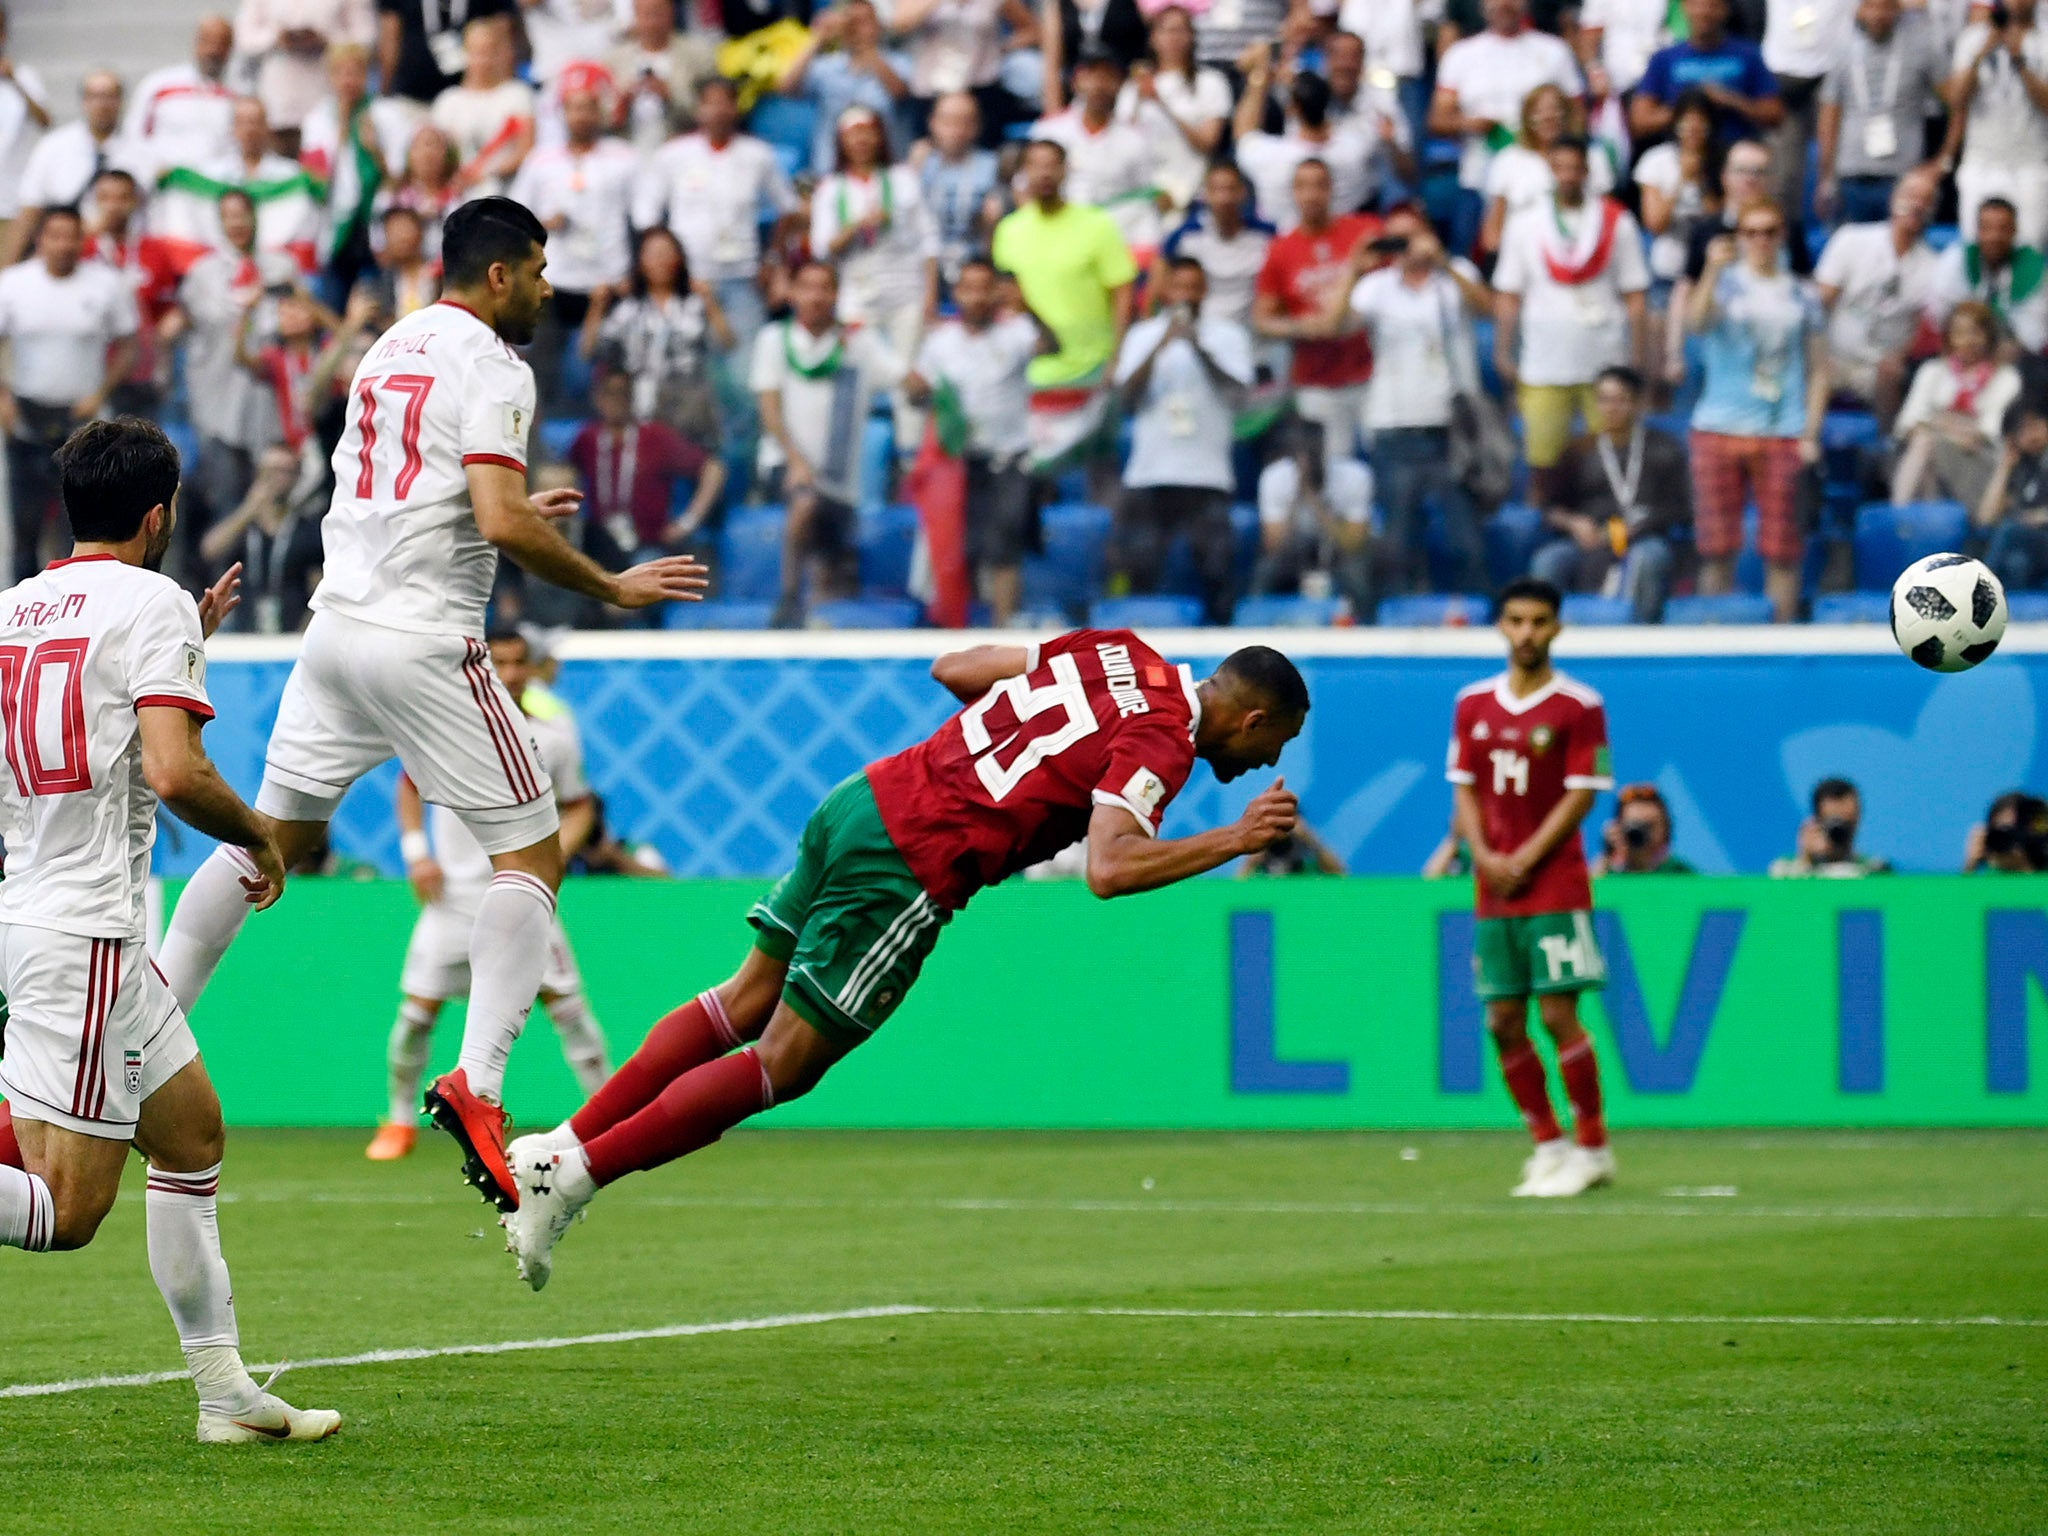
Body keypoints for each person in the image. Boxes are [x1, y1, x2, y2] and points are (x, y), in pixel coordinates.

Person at [154, 198, 709, 1214]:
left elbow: (417, 493)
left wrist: (490, 518)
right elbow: (494, 512)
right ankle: (480, 1082)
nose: (547, 289)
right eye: (538, 270)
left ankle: (134, 1031)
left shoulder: (387, 346)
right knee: (532, 856)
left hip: (336, 633)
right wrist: (613, 585)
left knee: (261, 846)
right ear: (498, 276)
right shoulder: (498, 364)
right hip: (421, 641)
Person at [497, 633, 1310, 1287]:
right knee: (785, 1062)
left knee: (745, 998)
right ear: (1254, 719)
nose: (1270, 762)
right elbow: (1110, 868)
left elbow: (953, 667)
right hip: (916, 857)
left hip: (866, 797)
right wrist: (1237, 837)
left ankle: (559, 1141)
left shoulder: (1117, 652)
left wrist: (1016, 751)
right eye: (1279, 741)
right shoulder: (1161, 739)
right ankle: (572, 1179)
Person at [0, 416, 339, 1442]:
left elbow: (83, 709)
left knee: (190, 1135)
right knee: (67, 1210)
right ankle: (223, 1390)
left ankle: (223, 1395)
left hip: (34, 903)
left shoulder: (18, 607)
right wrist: (260, 838)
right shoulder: (148, 604)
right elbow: (175, 772)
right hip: (90, 925)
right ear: (158, 514)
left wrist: (182, 635)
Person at [367, 628, 611, 1160]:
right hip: (454, 896)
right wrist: (416, 853)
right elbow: (407, 788)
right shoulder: (447, 730)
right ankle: (399, 1120)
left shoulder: (555, 737)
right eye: (499, 661)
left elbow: (580, 806)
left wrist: (556, 856)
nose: (511, 672)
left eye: (519, 662)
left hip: (525, 897)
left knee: (569, 1010)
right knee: (416, 1014)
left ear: (530, 668)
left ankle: (606, 1117)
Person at [1447, 576, 1614, 1199]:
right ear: (1500, 626)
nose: (1526, 633)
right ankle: (1548, 1142)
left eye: (1538, 621)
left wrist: (1524, 857)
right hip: (1493, 884)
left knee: (1558, 1012)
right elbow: (1462, 785)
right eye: (1515, 620)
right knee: (1502, 1018)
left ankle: (1593, 1146)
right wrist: (1485, 856)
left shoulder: (1579, 706)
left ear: (1557, 628)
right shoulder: (1473, 704)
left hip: (1555, 883)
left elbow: (1582, 795)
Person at [1687, 198, 1828, 622]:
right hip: (1718, 425)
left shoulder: (1803, 293)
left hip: (1781, 428)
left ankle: (1780, 633)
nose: (1761, 240)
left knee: (1783, 548)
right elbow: (1696, 324)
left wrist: (1810, 433)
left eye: (1769, 231)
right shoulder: (1724, 284)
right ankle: (1712, 631)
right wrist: (1711, 269)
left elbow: (1821, 369)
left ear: (1782, 235)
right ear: (1740, 237)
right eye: (1751, 232)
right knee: (1717, 546)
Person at [1338, 206, 1491, 595]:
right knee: (1399, 536)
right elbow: (1336, 326)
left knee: (1464, 536)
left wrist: (1442, 261)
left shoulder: (1454, 275)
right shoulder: (1376, 286)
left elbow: (1488, 308)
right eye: (1396, 238)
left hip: (1451, 428)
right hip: (1393, 424)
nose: (1405, 247)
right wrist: (1354, 270)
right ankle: (1400, 616)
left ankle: (1475, 611)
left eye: (1411, 235)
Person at [1492, 136, 1650, 505]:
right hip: (1544, 359)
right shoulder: (1525, 222)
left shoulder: (1617, 220)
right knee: (1542, 461)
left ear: (1587, 171)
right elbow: (1509, 293)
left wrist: (1639, 357)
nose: (1567, 176)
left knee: (1613, 459)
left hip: (1605, 359)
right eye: (1559, 167)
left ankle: (1611, 536)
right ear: (1549, 171)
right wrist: (1502, 349)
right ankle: (1541, 543)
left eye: (1574, 168)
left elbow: (1636, 294)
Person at [752, 259, 908, 625]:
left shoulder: (858, 341)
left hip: (839, 483)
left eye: (825, 287)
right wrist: (795, 460)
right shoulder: (774, 339)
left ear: (837, 294)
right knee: (804, 502)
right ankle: (788, 599)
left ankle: (820, 608)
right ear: (792, 292)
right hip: (786, 467)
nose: (816, 296)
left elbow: (906, 380)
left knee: (836, 574)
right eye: (807, 286)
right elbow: (769, 408)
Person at [0, 206, 140, 582]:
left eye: (71, 236)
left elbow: (129, 345)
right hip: (28, 417)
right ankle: (17, 609)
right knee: (25, 523)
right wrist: (3, 398)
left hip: (84, 420)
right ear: (40, 240)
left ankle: (77, 606)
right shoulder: (13, 285)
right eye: (55, 236)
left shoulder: (105, 284)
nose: (63, 245)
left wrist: (102, 390)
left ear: (82, 240)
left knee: (82, 524)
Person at [1113, 256, 1253, 624]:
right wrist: (1161, 345)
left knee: (1216, 571)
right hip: (1151, 473)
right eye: (1179, 286)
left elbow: (1240, 397)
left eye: (1194, 286)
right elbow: (1126, 398)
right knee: (1141, 568)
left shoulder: (1228, 336)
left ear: (1205, 290)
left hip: (1207, 474)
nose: (1186, 294)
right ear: (1165, 290)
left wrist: (1199, 349)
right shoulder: (1141, 336)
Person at [905, 255, 1045, 624]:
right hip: (957, 462)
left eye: (986, 288)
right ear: (958, 292)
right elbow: (917, 393)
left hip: (1009, 457)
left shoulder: (1017, 331)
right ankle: (959, 630)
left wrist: (1026, 304)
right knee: (958, 548)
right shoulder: (940, 342)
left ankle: (1003, 626)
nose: (978, 296)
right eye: (970, 289)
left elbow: (1052, 346)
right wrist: (916, 391)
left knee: (1005, 544)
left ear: (996, 292)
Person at [162, 188, 302, 555]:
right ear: (220, 223)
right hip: (218, 405)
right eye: (229, 216)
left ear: (255, 217)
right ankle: (227, 603)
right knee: (228, 507)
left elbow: (292, 325)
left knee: (274, 507)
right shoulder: (202, 275)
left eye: (243, 214)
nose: (238, 223)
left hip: (269, 407)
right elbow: (206, 322)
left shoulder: (281, 268)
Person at [990, 137, 1137, 479]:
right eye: (1034, 165)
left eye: (1051, 165)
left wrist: (1117, 355)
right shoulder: (1009, 231)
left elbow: (1123, 292)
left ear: (1065, 170)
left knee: (1100, 476)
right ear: (1023, 172)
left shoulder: (1097, 225)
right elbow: (1007, 299)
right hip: (1035, 378)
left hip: (1093, 373)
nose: (1043, 173)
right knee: (1034, 483)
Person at [632, 75, 797, 378]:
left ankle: (745, 427)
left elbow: (787, 209)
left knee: (745, 370)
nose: (718, 111)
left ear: (736, 109)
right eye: (711, 103)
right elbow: (646, 216)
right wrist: (663, 268)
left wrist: (773, 259)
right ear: (699, 110)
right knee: (685, 369)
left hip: (742, 277)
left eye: (726, 103)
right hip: (687, 281)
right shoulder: (673, 155)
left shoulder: (758, 155)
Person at [811, 103, 939, 447]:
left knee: (911, 373)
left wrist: (930, 294)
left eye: (868, 132)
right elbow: (823, 249)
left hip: (906, 290)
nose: (862, 141)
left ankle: (911, 455)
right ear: (841, 142)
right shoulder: (831, 189)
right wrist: (857, 226)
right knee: (856, 371)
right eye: (853, 135)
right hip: (856, 292)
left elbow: (928, 239)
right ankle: (852, 454)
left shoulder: (901, 179)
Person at [510, 83, 638, 413]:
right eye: (573, 108)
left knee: (590, 376)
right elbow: (515, 219)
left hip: (606, 283)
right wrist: (543, 223)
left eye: (588, 108)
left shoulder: (624, 158)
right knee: (541, 371)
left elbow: (644, 219)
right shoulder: (541, 160)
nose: (581, 116)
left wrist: (632, 274)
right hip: (553, 282)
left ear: (601, 113)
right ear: (562, 115)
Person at [1533, 365, 1691, 622]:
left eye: (1621, 400)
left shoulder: (1664, 449)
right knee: (1548, 561)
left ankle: (1643, 638)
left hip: (1643, 538)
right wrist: (1574, 524)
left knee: (1649, 559)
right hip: (1589, 540)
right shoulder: (1578, 451)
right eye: (1605, 400)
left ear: (1638, 403)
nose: (1612, 408)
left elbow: (1681, 508)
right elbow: (1550, 508)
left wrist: (1637, 527)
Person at [1428, 0, 1583, 258]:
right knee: (1473, 257)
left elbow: (1577, 113)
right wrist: (1471, 123)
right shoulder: (1461, 54)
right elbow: (1437, 119)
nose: (1504, 4)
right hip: (1477, 176)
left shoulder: (1553, 50)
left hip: (1541, 178)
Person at [1253, 157, 1379, 465]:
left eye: (1319, 186)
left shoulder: (1364, 232)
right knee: (1331, 470)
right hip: (1315, 381)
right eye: (1303, 186)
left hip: (1370, 372)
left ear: (1331, 190)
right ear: (1293, 193)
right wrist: (1302, 327)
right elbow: (1261, 320)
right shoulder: (1281, 249)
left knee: (1383, 466)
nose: (1311, 195)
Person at [582, 226, 734, 452]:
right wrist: (596, 306)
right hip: (641, 411)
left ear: (679, 259)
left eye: (666, 253)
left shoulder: (695, 305)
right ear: (640, 261)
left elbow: (727, 345)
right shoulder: (629, 309)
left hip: (689, 408)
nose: (660, 260)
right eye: (652, 253)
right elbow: (588, 351)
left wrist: (710, 302)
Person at [1814, 167, 1938, 431]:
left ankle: (1888, 449)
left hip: (1878, 367)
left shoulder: (1932, 267)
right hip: (1834, 357)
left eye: (1925, 199)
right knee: (1813, 367)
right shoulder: (1851, 239)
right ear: (1893, 199)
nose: (1916, 204)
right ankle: (1803, 448)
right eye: (1910, 194)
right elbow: (1819, 303)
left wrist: (1900, 357)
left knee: (1894, 375)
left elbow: (1920, 331)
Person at [568, 370, 722, 578]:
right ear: (597, 397)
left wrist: (688, 522)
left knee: (638, 578)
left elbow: (713, 469)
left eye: (622, 393)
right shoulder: (587, 439)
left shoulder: (654, 437)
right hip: (600, 546)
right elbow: (563, 474)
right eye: (608, 392)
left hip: (647, 548)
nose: (614, 400)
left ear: (632, 397)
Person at [1816, 0, 1944, 227]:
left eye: (1885, 6)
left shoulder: (1920, 47)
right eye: (1870, 6)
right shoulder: (1842, 48)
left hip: (1903, 175)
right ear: (1859, 10)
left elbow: (1957, 102)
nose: (1877, 14)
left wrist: (1943, 160)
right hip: (1851, 173)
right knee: (1854, 246)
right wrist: (1826, 176)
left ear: (1898, 9)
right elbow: (1829, 114)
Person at [1890, 299, 2020, 513]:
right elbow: (1908, 421)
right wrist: (1952, 428)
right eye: (1959, 333)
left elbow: (1992, 431)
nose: (1967, 340)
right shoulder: (1932, 371)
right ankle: (1913, 521)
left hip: (1980, 461)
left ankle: (1901, 520)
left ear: (1988, 337)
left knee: (1926, 442)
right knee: (1923, 444)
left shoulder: (2006, 378)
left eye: (1974, 333)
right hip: (1930, 449)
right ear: (1949, 337)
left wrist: (1942, 423)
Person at [1235, 56, 1396, 228]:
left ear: (1292, 109)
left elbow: (1244, 129)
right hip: (1339, 244)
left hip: (1288, 241)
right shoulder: (1355, 150)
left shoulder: (1268, 155)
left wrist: (1259, 75)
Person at [8, 71, 145, 267]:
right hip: (62, 256)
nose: (102, 104)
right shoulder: (53, 146)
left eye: (109, 96)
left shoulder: (142, 152)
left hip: (123, 259)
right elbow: (30, 210)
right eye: (94, 96)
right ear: (84, 101)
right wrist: (8, 270)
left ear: (121, 101)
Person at [1941, 0, 2048, 249]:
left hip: (2030, 162)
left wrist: (2019, 60)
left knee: (2029, 246)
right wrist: (1982, 53)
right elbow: (1956, 99)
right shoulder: (1973, 38)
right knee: (1974, 246)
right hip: (1981, 161)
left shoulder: (2043, 40)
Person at [1030, 44, 1158, 253]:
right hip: (1055, 235)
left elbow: (1145, 196)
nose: (1099, 84)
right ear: (1076, 81)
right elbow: (1025, 186)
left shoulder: (1136, 138)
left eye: (1107, 76)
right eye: (1091, 76)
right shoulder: (1049, 131)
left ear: (1119, 84)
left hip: (1116, 239)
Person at [1250, 414, 1375, 613]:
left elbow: (1354, 545)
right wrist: (1297, 496)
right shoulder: (1275, 477)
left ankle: (1368, 623)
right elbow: (1273, 545)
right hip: (1292, 550)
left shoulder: (1354, 475)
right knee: (1266, 569)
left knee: (1357, 570)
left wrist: (1316, 503)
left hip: (1337, 552)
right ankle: (1255, 623)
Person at [1114, 5, 1230, 214]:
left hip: (1193, 190)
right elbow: (1122, 141)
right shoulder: (1133, 86)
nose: (1173, 38)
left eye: (1181, 30)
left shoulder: (1211, 82)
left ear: (1192, 37)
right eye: (1166, 30)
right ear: (1153, 38)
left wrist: (1161, 104)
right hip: (1145, 193)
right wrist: (1139, 100)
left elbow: (1208, 142)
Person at [1480, 82, 1614, 259]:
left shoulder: (1593, 156)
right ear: (1526, 117)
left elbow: (1607, 214)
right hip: (1524, 258)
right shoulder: (1508, 160)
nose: (1548, 117)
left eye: (1555, 110)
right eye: (1538, 111)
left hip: (1582, 254)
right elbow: (1493, 229)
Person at [778, 0, 914, 173]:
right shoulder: (828, 66)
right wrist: (818, 38)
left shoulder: (898, 62)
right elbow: (786, 87)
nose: (856, 28)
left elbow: (899, 92)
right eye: (851, 21)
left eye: (864, 21)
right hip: (832, 173)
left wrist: (867, 48)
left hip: (884, 174)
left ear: (879, 25)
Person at [1631, 0, 1784, 145]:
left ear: (1725, 9)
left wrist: (1731, 101)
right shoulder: (1663, 58)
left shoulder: (1748, 55)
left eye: (1712, 5)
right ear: (1684, 7)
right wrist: (1690, 107)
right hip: (1679, 152)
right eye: (1697, 4)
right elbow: (1640, 121)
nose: (1704, 12)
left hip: (1734, 151)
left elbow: (1775, 115)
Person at [232, 0, 376, 145]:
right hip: (277, 94)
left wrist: (325, 38)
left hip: (327, 89)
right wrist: (276, 37)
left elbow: (366, 37)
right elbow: (244, 38)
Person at [1158, 160, 1273, 330]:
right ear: (1205, 194)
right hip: (1200, 332)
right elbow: (1160, 282)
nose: (1223, 198)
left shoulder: (1267, 236)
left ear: (1242, 192)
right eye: (1216, 190)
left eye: (1230, 189)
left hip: (1253, 333)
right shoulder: (1183, 237)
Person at [1924, 196, 2048, 353]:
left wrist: (2010, 349)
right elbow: (1939, 315)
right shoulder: (1957, 259)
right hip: (1959, 348)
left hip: (2012, 352)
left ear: (2014, 231)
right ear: (1977, 230)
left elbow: (2036, 333)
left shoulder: (2032, 267)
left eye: (2003, 228)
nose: (1994, 236)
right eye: (1987, 228)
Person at [432, 15, 535, 202]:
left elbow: (526, 149)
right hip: (460, 194)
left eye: (490, 52)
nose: (484, 60)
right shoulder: (448, 101)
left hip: (509, 192)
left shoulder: (517, 94)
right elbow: (441, 155)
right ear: (464, 53)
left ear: (501, 54)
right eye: (477, 52)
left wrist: (488, 174)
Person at [604, 0, 722, 161]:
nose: (652, 21)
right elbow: (603, 118)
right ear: (635, 16)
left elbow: (715, 111)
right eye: (645, 14)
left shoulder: (698, 56)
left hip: (683, 150)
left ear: (672, 13)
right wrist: (622, 104)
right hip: (630, 151)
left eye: (657, 13)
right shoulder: (614, 61)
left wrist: (670, 96)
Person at [1635, 90, 1723, 290]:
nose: (1693, 129)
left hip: (1710, 273)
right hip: (1666, 269)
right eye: (1687, 122)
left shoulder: (1722, 160)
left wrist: (1700, 182)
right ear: (1676, 124)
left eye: (1700, 122)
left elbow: (1720, 222)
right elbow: (1655, 224)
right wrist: (1682, 180)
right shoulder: (1656, 160)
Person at [916, 90, 1002, 297]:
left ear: (977, 126)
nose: (956, 130)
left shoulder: (992, 167)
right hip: (924, 264)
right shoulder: (919, 165)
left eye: (965, 121)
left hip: (975, 262)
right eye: (948, 121)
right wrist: (913, 172)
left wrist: (990, 224)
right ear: (932, 123)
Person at [128, 15, 232, 173]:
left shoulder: (238, 96)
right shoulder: (160, 85)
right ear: (195, 42)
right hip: (167, 186)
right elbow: (134, 135)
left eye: (221, 43)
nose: (214, 50)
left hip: (216, 188)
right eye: (207, 41)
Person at [378, 0, 517, 113]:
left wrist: (503, 92)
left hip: (469, 99)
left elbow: (502, 36)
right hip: (413, 96)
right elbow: (390, 36)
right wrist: (385, 89)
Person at [1977, 397, 2048, 590]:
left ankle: (1982, 589)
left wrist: (2039, 516)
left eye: (2036, 426)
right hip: (2028, 544)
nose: (2031, 435)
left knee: (2009, 529)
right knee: (2015, 564)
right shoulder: (2020, 467)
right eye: (2023, 430)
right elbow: (1986, 517)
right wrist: (2005, 466)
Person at [374, 123, 461, 264]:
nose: (427, 154)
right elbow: (379, 248)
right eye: (419, 146)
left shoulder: (458, 197)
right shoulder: (391, 196)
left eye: (434, 146)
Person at [1769, 775, 1890, 875]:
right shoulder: (1784, 868)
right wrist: (1806, 860)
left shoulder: (1875, 868)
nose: (1840, 830)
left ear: (1858, 819)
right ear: (1816, 821)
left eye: (1847, 822)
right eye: (1833, 821)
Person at [1593, 782, 1698, 873]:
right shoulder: (1607, 872)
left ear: (1665, 829)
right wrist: (1606, 854)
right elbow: (1587, 890)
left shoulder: (1680, 872)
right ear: (1618, 828)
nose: (1640, 832)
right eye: (1634, 824)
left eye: (1649, 825)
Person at [1964, 790, 2048, 872]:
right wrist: (1970, 866)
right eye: (2003, 833)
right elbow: (1965, 885)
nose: (2014, 841)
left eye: (2019, 830)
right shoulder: (1985, 881)